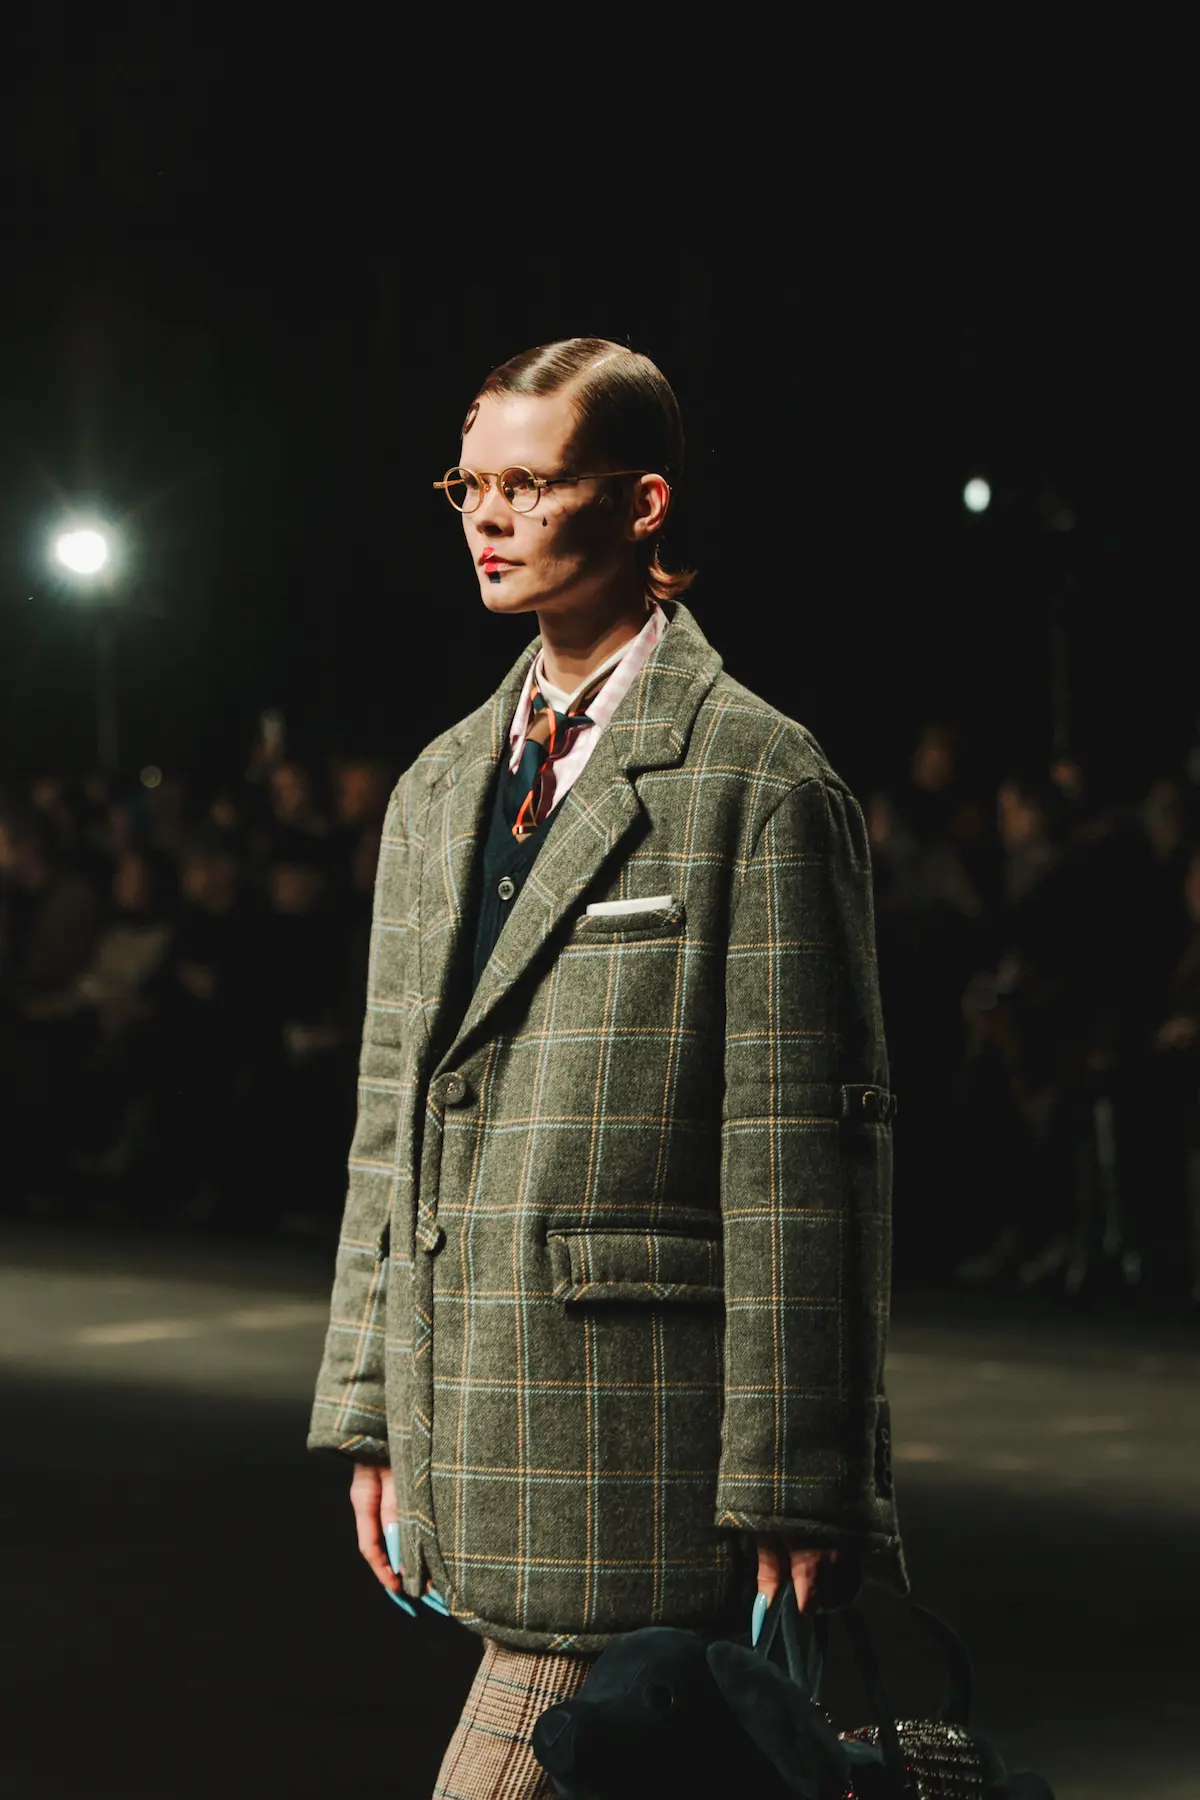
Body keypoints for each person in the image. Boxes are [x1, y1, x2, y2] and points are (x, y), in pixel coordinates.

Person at [307, 338, 908, 1797]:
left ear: (643, 503)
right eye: (470, 484)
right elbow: (394, 1120)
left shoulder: (758, 777)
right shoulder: (440, 784)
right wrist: (373, 1407)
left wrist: (799, 1467)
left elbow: (799, 1145)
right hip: (469, 1401)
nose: (488, 516)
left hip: (647, 1439)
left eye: (531, 483)